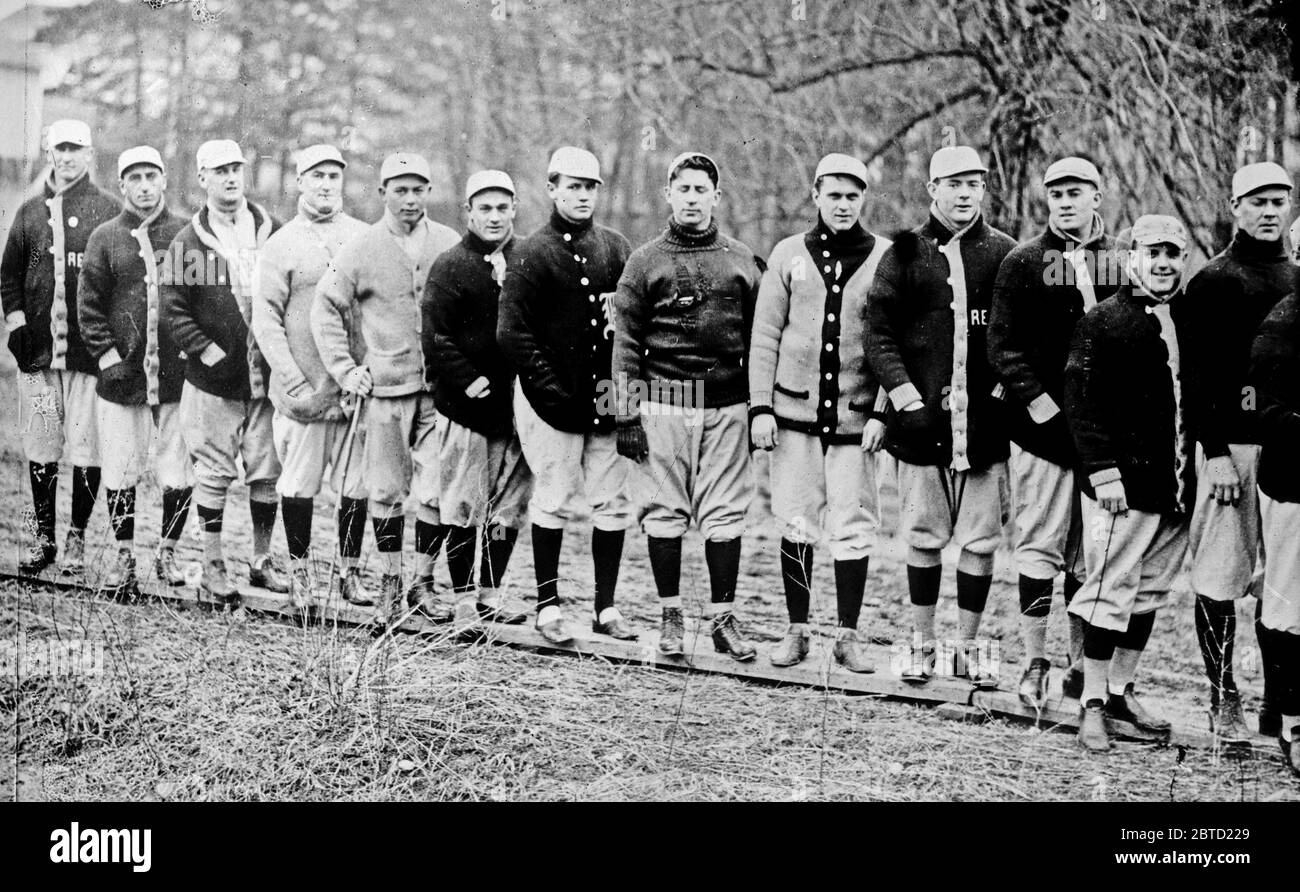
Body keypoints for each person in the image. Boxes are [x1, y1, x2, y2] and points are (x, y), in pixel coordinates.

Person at [864, 145, 1016, 687]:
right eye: (953, 184)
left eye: (974, 183)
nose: (965, 193)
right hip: (921, 428)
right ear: (933, 189)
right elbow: (878, 334)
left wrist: (998, 398)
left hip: (984, 433)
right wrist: (903, 396)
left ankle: (969, 647)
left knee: (979, 542)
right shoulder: (904, 252)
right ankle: (921, 642)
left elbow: (1022, 340)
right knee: (924, 537)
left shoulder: (1006, 253)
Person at [612, 151, 763, 661]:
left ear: (716, 197)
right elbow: (626, 344)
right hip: (665, 399)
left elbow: (761, 341)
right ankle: (671, 615)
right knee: (663, 511)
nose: (693, 199)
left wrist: (756, 408)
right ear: (668, 195)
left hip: (726, 402)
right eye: (684, 190)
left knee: (724, 512)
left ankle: (723, 618)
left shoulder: (742, 259)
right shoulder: (644, 260)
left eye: (702, 190)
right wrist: (626, 414)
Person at [988, 156, 1124, 707]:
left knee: (1090, 556)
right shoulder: (1024, 261)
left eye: (1077, 192)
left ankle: (1076, 664)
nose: (1067, 202)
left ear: (1098, 195)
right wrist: (1038, 402)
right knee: (1039, 546)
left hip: (1102, 443)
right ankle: (1035, 660)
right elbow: (1001, 346)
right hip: (1042, 433)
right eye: (1057, 193)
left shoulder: (1120, 262)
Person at [749, 152, 891, 672]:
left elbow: (890, 343)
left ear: (863, 200)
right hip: (793, 417)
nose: (843, 205)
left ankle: (848, 636)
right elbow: (764, 336)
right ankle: (797, 630)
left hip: (856, 422)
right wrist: (761, 407)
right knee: (799, 523)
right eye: (833, 195)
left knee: (853, 525)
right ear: (815, 196)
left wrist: (882, 411)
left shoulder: (883, 257)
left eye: (853, 196)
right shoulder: (789, 253)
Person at [1064, 214, 1197, 752]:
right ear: (1131, 258)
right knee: (1108, 592)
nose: (1163, 264)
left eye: (1173, 254)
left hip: (1176, 488)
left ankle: (1120, 690)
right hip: (1121, 488)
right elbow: (1081, 402)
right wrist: (1103, 472)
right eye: (1152, 253)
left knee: (1148, 593)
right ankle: (1091, 702)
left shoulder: (1187, 319)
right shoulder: (1103, 319)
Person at [497, 147, 635, 644]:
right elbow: (512, 333)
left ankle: (606, 607)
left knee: (611, 502)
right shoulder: (531, 252)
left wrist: (629, 400)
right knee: (552, 499)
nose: (582, 195)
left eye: (590, 186)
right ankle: (547, 606)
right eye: (572, 186)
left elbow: (634, 330)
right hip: (548, 398)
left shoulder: (617, 248)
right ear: (552, 188)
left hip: (605, 396)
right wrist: (550, 389)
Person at [313, 152, 459, 619]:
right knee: (386, 489)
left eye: (419, 190)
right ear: (383, 193)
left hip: (440, 393)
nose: (410, 199)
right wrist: (345, 368)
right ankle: (391, 584)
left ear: (429, 193)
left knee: (435, 491)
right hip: (387, 391)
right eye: (400, 189)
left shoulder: (449, 243)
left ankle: (423, 582)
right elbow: (325, 307)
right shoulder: (361, 247)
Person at [1182, 162, 1294, 742]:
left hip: (1288, 451)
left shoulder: (1296, 278)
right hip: (1233, 450)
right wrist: (1216, 451)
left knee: (1282, 584)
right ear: (1236, 208)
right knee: (1222, 572)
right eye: (1258, 201)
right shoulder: (1214, 280)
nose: (1270, 211)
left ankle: (1279, 701)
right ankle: (1223, 694)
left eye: (1279, 200)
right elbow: (1197, 380)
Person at [161, 138, 285, 607]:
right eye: (220, 170)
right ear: (203, 179)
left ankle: (260, 560)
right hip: (214, 380)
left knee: (266, 470)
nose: (231, 177)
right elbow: (173, 310)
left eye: (237, 168)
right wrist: (206, 350)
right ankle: (213, 562)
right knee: (213, 472)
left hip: (264, 378)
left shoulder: (271, 230)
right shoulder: (190, 241)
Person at [251, 144, 372, 608]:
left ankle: (350, 574)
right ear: (300, 181)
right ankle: (301, 575)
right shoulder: (281, 244)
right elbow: (265, 319)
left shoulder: (363, 237)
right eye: (316, 176)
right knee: (299, 486)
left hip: (354, 392)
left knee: (355, 488)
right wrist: (293, 379)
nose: (325, 185)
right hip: (305, 392)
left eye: (333, 176)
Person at [2, 119, 119, 577]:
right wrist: (16, 325)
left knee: (86, 449)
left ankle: (77, 540)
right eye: (59, 150)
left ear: (90, 154)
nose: (66, 157)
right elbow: (8, 276)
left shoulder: (108, 210)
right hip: (36, 354)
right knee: (42, 446)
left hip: (86, 357)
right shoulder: (30, 211)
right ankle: (44, 538)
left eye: (75, 149)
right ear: (49, 154)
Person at [76, 145, 193, 597]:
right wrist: (107, 358)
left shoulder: (184, 232)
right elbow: (89, 305)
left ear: (163, 180)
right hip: (122, 376)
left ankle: (168, 551)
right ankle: (124, 555)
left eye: (151, 177)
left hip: (176, 376)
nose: (144, 187)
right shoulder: (105, 236)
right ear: (122, 185)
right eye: (135, 179)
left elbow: (198, 300)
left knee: (177, 469)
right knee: (121, 467)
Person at [422, 169, 533, 627]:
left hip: (519, 405)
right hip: (466, 405)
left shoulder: (529, 258)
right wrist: (467, 378)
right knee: (464, 503)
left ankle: (491, 594)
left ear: (514, 210)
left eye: (502, 208)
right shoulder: (450, 265)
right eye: (484, 208)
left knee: (508, 505)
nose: (493, 217)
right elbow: (435, 335)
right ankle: (464, 596)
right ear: (468, 212)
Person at [1248, 214, 1300, 776]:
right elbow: (1269, 413)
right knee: (1288, 602)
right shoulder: (1282, 325)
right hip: (1293, 484)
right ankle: (1290, 719)